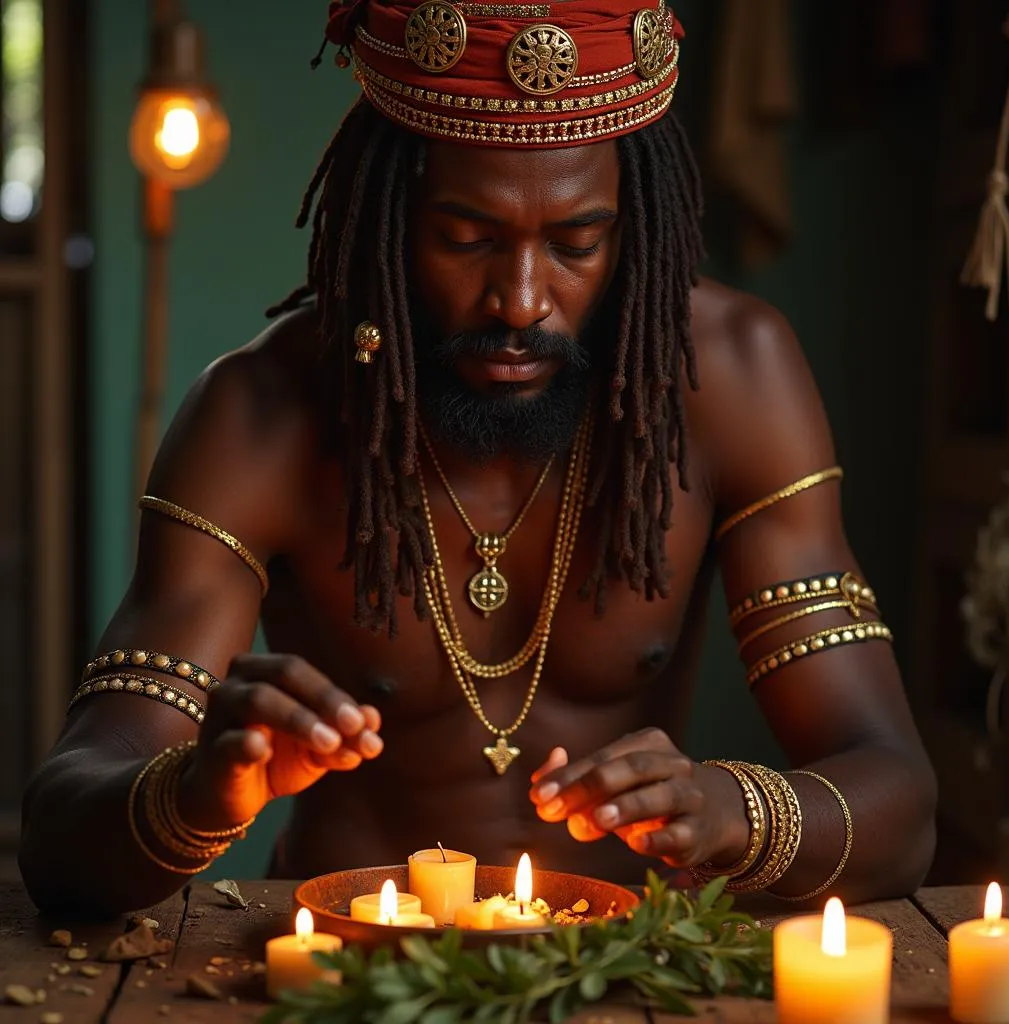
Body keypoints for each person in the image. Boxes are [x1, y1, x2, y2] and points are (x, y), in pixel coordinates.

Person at [20, 0, 936, 915]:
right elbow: (59, 840)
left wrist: (737, 809)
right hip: (343, 971)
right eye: (466, 239)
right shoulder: (260, 413)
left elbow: (903, 811)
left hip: (628, 974)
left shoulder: (732, 377)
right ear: (391, 210)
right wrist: (194, 795)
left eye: (578, 242)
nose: (523, 301)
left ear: (630, 224)